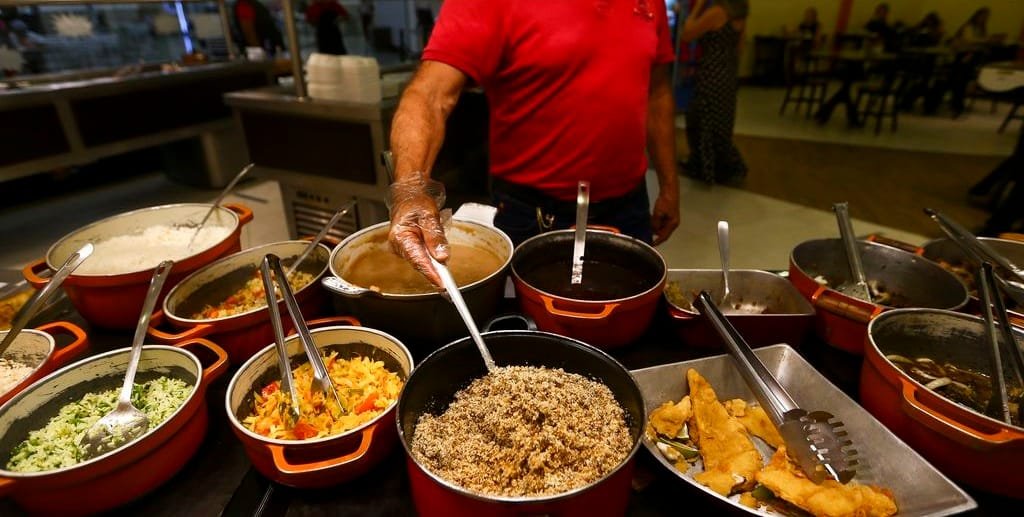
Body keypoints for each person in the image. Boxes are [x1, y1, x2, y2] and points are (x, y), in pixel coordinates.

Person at [386, 0, 681, 286]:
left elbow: (658, 91)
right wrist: (410, 188)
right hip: (535, 215)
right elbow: (430, 95)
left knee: (635, 320)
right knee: (531, 328)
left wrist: (669, 184)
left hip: (629, 206)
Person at [680, 0, 749, 185]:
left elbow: (687, 34)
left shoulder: (717, 12)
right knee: (720, 121)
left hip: (711, 71)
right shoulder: (740, 15)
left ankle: (703, 166)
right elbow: (740, 47)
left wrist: (695, 9)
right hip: (728, 73)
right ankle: (722, 167)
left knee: (700, 117)